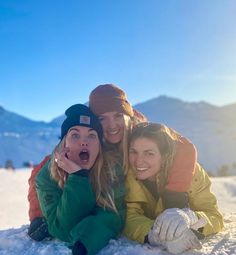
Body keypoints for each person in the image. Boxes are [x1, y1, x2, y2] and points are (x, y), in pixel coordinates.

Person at [28, 83, 196, 241]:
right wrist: (37, 215)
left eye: (118, 116)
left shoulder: (139, 132)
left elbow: (184, 148)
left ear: (128, 116)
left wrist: (175, 200)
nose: (112, 125)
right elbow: (41, 171)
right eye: (102, 118)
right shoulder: (92, 138)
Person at [33, 104, 126, 255]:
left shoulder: (112, 170)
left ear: (99, 145)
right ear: (64, 143)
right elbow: (61, 229)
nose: (84, 142)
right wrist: (78, 178)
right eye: (75, 135)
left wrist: (87, 238)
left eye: (91, 135)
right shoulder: (46, 178)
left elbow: (112, 217)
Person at [124, 122, 224, 255]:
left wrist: (191, 218)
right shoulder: (128, 175)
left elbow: (215, 216)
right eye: (134, 152)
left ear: (164, 156)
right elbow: (129, 216)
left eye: (149, 153)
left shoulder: (192, 174)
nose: (138, 161)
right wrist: (153, 233)